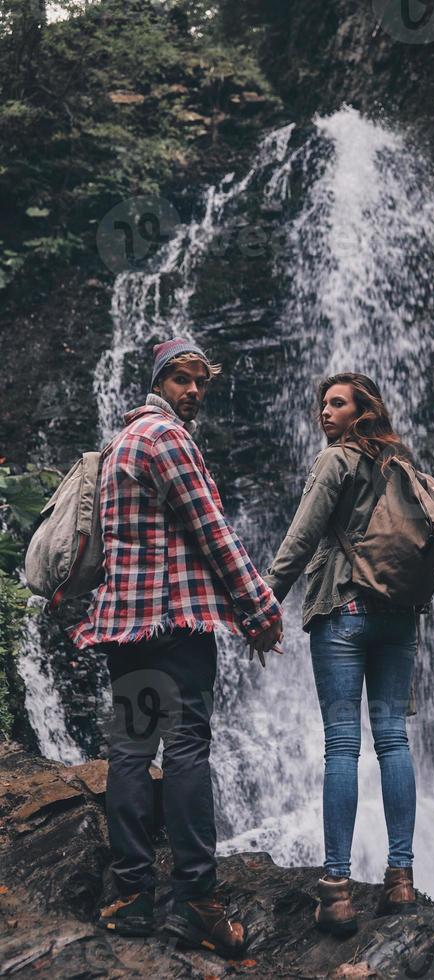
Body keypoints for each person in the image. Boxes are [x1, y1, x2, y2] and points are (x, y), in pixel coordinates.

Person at [67, 337, 283, 956]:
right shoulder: (168, 438)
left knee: (132, 749)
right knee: (187, 747)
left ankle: (132, 895)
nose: (193, 392)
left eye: (201, 383)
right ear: (159, 380)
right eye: (183, 379)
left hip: (125, 628)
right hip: (175, 627)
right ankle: (196, 900)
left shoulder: (120, 442)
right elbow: (212, 530)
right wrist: (260, 609)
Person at [265, 372, 419, 938]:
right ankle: (400, 878)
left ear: (361, 411)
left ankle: (336, 891)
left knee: (343, 745)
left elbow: (301, 538)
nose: (324, 412)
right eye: (322, 403)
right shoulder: (402, 466)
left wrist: (264, 603)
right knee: (395, 740)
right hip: (398, 620)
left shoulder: (336, 461)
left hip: (345, 612)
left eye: (337, 403)